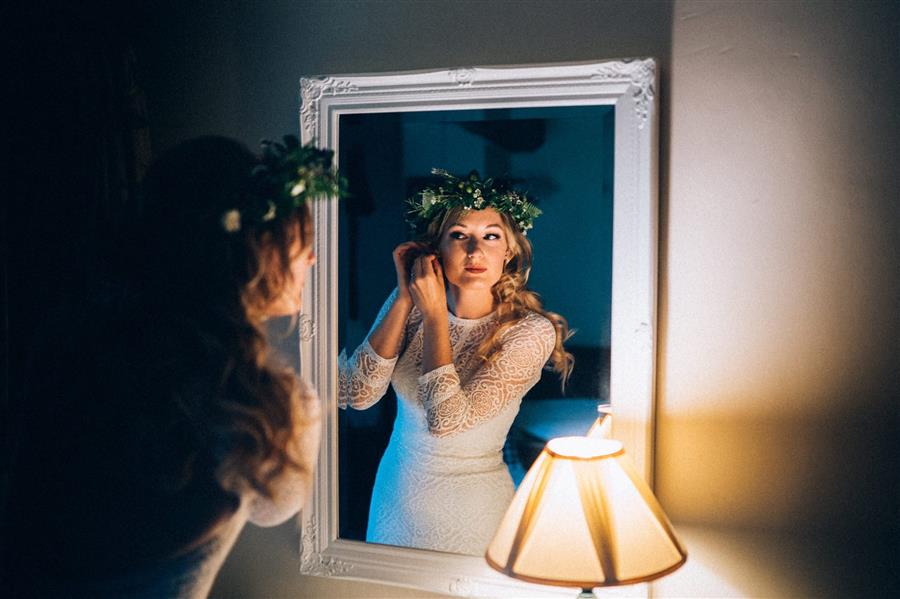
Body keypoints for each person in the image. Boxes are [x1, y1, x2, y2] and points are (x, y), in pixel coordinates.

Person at [4, 136, 340, 597]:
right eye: (299, 243)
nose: (312, 259)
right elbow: (275, 507)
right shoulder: (266, 406)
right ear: (257, 251)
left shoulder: (68, 343)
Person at [339, 168, 573, 556]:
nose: (475, 251)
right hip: (396, 493)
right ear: (436, 250)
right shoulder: (409, 306)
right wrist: (402, 299)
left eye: (491, 236)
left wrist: (434, 317)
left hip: (473, 508)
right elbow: (355, 395)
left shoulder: (529, 332)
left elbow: (446, 422)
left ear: (509, 251)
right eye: (460, 235)